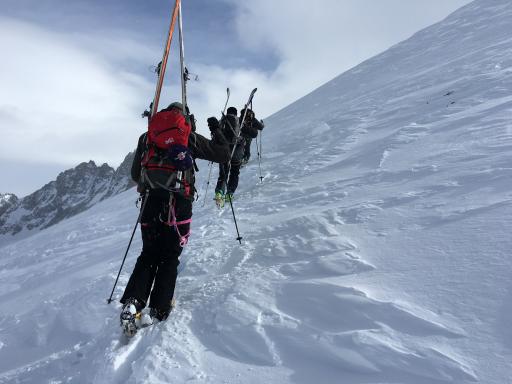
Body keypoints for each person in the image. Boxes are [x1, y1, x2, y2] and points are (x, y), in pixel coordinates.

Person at [120, 102, 230, 331]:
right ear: (184, 117)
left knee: (148, 253)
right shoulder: (188, 135)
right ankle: (158, 309)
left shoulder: (147, 136)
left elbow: (134, 173)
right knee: (170, 256)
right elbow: (224, 154)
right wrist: (216, 130)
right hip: (179, 203)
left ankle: (133, 302)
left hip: (150, 201)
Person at [214, 107, 259, 205]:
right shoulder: (239, 121)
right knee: (234, 173)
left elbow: (215, 137)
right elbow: (254, 134)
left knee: (223, 174)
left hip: (223, 153)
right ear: (236, 113)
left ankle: (219, 193)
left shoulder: (221, 122)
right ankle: (229, 193)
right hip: (237, 153)